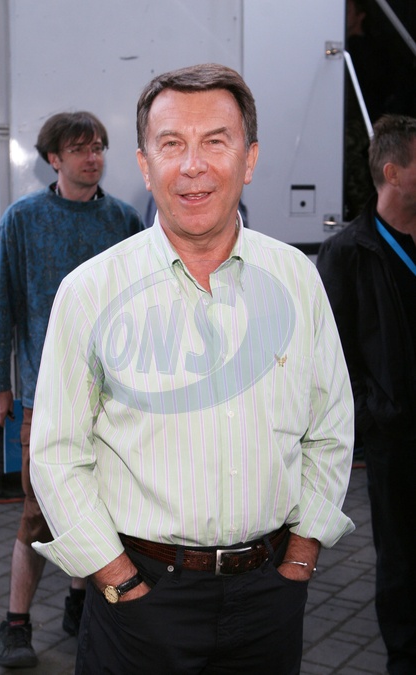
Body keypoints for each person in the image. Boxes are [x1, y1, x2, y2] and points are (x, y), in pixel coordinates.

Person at [30, 64, 355, 675]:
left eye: (216, 141)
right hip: (138, 602)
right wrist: (119, 579)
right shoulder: (90, 292)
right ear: (145, 163)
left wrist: (300, 557)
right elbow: (57, 455)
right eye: (172, 144)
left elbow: (331, 426)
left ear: (250, 159)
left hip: (269, 597)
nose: (193, 165)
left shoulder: (297, 279)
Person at [0, 111, 144, 669]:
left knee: (100, 506)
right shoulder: (23, 219)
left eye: (98, 146)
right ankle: (15, 624)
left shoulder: (123, 220)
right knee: (37, 514)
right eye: (80, 149)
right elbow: (1, 305)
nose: (92, 157)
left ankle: (79, 606)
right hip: (43, 396)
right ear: (54, 158)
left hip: (113, 398)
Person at [317, 114, 416, 675]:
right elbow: (334, 353)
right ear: (393, 172)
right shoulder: (349, 251)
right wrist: (374, 416)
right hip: (396, 440)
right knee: (401, 559)